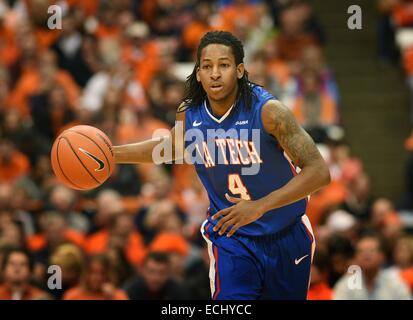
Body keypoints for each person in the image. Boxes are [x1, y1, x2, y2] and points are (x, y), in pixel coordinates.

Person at [113, 31, 330, 300]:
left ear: (239, 70)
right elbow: (171, 148)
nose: (215, 73)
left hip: (286, 235)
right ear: (199, 72)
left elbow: (319, 172)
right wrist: (112, 155)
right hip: (232, 237)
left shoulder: (269, 112)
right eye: (207, 66)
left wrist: (260, 206)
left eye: (223, 65)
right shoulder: (189, 112)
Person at [333, 233, 411, 300]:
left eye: (371, 251)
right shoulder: (345, 285)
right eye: (361, 251)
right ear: (355, 257)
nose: (366, 255)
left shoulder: (396, 284)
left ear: (382, 256)